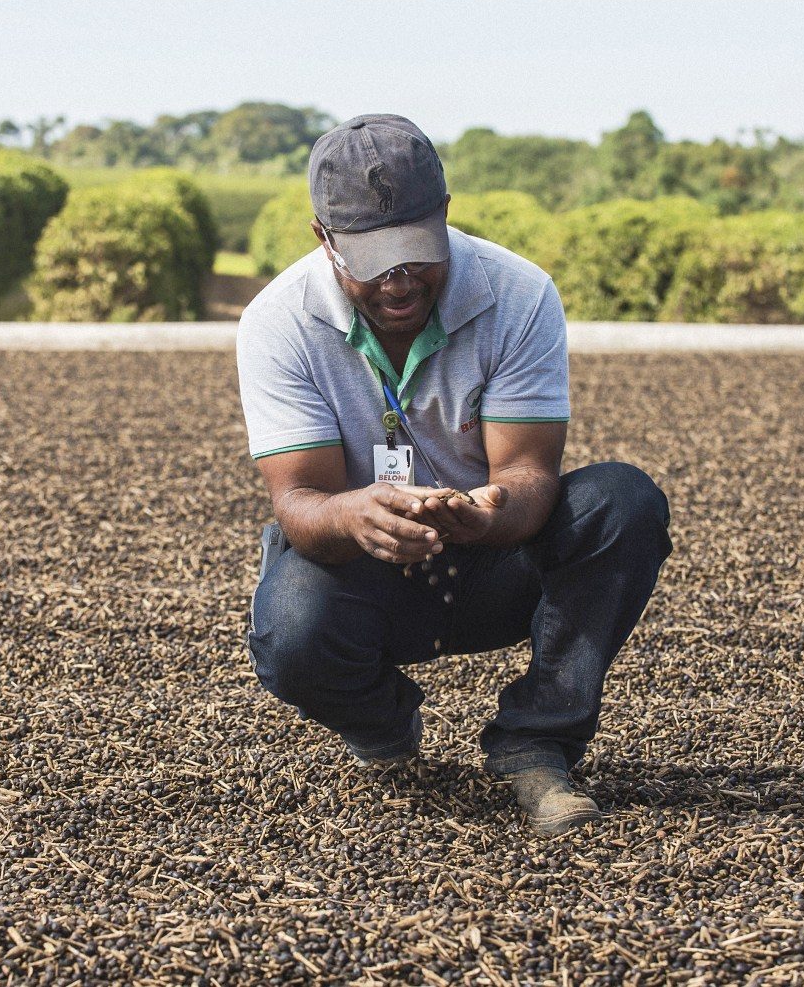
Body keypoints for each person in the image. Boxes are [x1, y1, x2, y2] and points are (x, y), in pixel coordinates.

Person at [235, 114, 673, 835]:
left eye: (414, 250)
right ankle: (383, 722)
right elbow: (299, 500)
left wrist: (490, 516)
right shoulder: (277, 322)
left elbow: (529, 473)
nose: (400, 279)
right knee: (289, 626)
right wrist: (356, 515)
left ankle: (539, 739)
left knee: (621, 503)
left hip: (491, 561)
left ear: (444, 214)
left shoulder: (520, 294)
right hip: (365, 567)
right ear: (324, 237)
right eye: (373, 259)